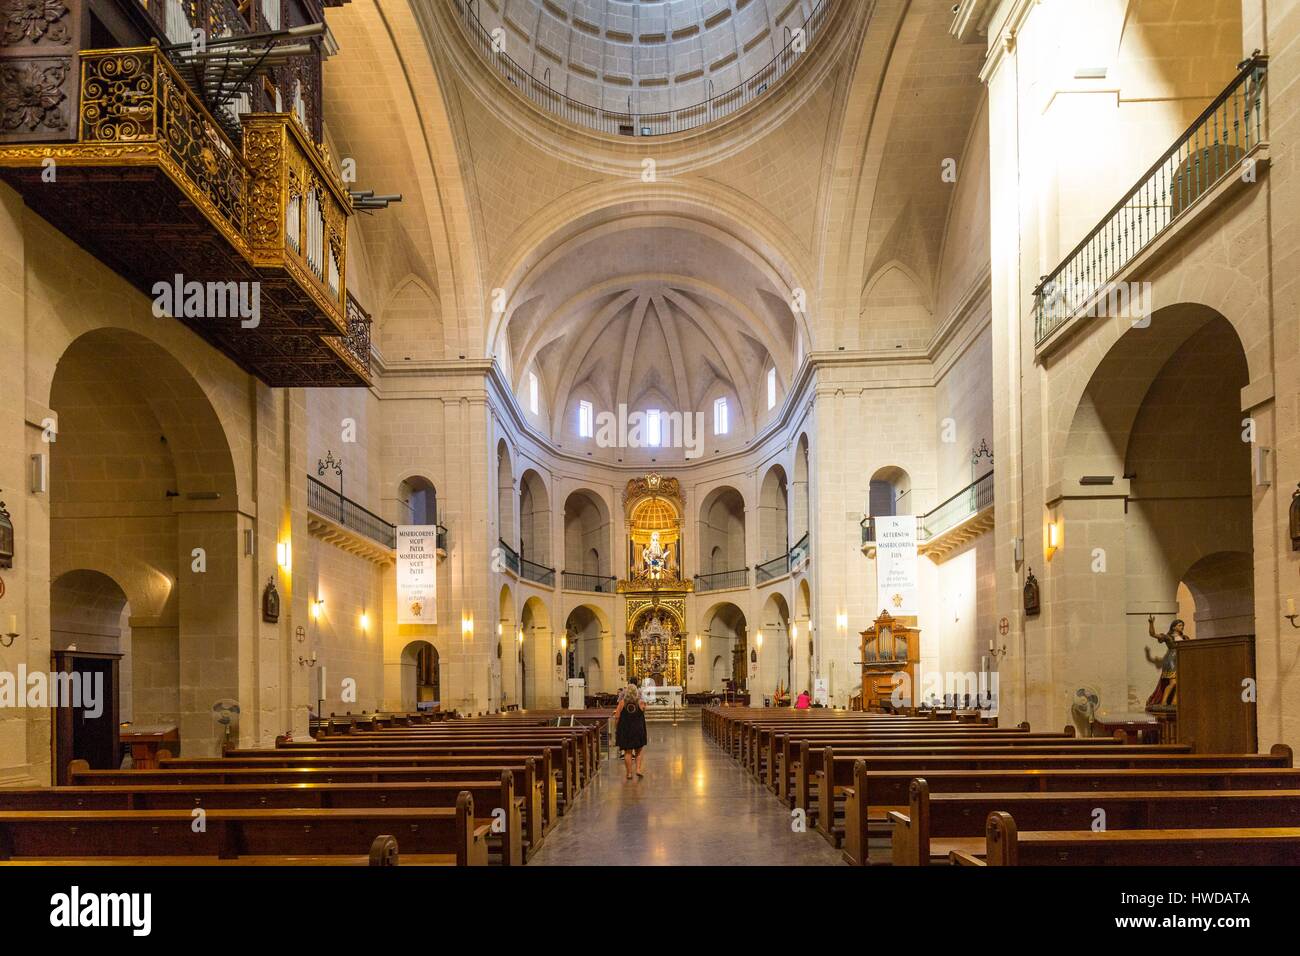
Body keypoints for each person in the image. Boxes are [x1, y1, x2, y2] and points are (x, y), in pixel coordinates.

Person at [614, 683, 648, 779]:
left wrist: (617, 728)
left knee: (628, 752)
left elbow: (617, 717)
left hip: (626, 729)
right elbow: (644, 711)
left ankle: (629, 773)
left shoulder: (622, 703)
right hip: (638, 729)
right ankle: (638, 769)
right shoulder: (641, 702)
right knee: (639, 751)